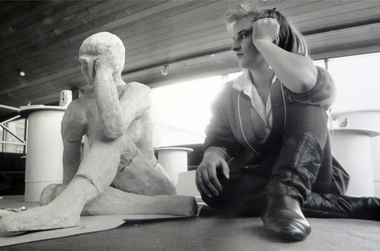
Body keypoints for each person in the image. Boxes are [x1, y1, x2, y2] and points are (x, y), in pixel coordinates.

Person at [195, 3, 380, 242]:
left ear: (270, 33)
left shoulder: (305, 74)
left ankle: (287, 194)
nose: (234, 46)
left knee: (308, 101)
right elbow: (219, 135)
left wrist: (264, 43)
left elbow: (305, 85)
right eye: (234, 38)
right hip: (264, 177)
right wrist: (212, 154)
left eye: (243, 35)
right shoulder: (230, 92)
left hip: (315, 178)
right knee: (214, 187)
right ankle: (354, 206)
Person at [0, 32, 197, 233]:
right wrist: (63, 195)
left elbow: (114, 127)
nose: (88, 69)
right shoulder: (77, 109)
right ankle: (167, 206)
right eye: (84, 63)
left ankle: (67, 208)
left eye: (96, 62)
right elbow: (69, 178)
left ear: (116, 62)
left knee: (114, 140)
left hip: (153, 185)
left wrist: (104, 72)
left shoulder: (138, 91)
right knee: (51, 193)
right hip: (107, 189)